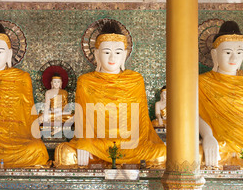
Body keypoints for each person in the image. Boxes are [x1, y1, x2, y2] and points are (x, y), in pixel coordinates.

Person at [54, 21, 166, 167]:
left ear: (125, 55)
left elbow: (142, 126)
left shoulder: (135, 80)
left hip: (131, 146)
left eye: (118, 53)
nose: (112, 58)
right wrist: (84, 142)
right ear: (96, 54)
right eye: (107, 52)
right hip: (96, 146)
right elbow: (81, 120)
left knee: (162, 152)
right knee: (66, 153)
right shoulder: (86, 81)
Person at [0, 21, 49, 167]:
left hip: (15, 143)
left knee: (38, 150)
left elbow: (27, 116)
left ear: (9, 53)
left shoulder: (21, 78)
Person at [199, 21, 243, 168]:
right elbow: (193, 114)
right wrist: (207, 136)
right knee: (193, 155)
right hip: (221, 144)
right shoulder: (202, 82)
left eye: (239, 53)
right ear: (214, 54)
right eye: (228, 53)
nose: (234, 59)